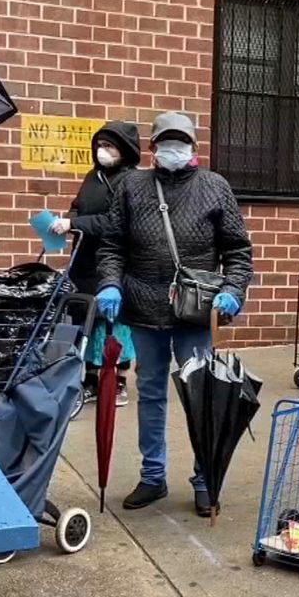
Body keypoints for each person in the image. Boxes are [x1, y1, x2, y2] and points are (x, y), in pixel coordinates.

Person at [95, 111, 253, 517]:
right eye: (165, 141)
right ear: (152, 147)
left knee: (201, 396)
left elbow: (237, 250)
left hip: (194, 310)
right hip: (144, 307)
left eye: (180, 141)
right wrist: (110, 282)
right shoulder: (132, 186)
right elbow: (111, 244)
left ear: (194, 147)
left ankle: (205, 478)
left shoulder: (214, 187)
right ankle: (152, 476)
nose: (172, 148)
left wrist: (233, 290)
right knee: (150, 393)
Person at [50, 121, 142, 406]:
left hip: (115, 262)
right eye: (99, 146)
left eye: (109, 146)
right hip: (85, 260)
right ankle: (90, 379)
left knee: (112, 324)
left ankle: (118, 381)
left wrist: (75, 223)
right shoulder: (93, 176)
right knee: (86, 319)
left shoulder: (131, 182)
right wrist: (68, 217)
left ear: (124, 150)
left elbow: (117, 222)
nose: (103, 151)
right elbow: (79, 205)